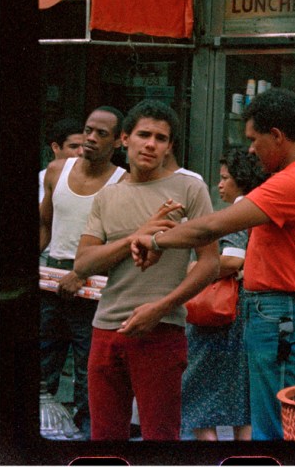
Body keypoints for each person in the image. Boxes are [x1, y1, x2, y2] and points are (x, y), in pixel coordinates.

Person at [129, 87, 295, 440]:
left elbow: (211, 226)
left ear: (277, 137)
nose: (251, 149)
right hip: (293, 313)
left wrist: (154, 239)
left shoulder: (292, 181)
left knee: (275, 431)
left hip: (282, 317)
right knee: (284, 424)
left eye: (254, 139)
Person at [74, 100, 218, 440]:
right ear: (125, 139)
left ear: (169, 147)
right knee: (104, 439)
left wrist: (163, 307)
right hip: (106, 328)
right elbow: (83, 263)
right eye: (143, 135)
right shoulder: (108, 196)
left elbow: (210, 262)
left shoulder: (189, 188)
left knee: (160, 438)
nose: (151, 144)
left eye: (160, 138)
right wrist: (136, 237)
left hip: (161, 329)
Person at [39, 107, 125, 437]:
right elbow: (45, 226)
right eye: (88, 130)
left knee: (91, 370)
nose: (91, 138)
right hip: (51, 277)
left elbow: (119, 243)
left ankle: (87, 441)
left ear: (119, 140)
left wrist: (82, 274)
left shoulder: (122, 182)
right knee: (42, 363)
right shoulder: (57, 170)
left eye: (102, 134)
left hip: (95, 284)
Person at [180, 149, 267, 441]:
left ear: (240, 180)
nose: (219, 185)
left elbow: (232, 259)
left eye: (225, 178)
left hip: (221, 314)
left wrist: (195, 267)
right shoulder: (261, 209)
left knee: (196, 389)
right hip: (245, 310)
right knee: (242, 398)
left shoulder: (239, 213)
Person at [40, 118, 85, 205]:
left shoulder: (95, 177)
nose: (81, 152)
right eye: (74, 146)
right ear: (56, 147)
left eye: (84, 146)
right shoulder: (42, 178)